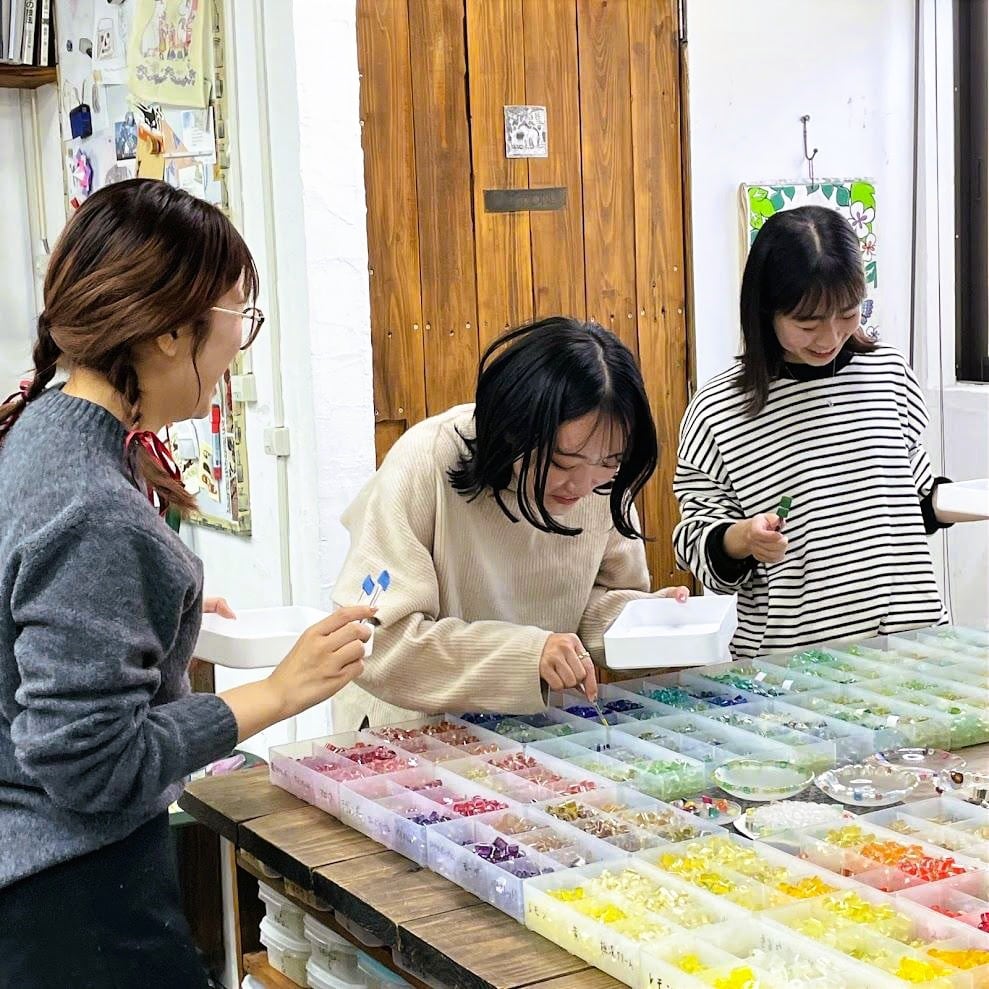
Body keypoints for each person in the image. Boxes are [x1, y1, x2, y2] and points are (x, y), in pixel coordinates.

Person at [0, 179, 373, 988]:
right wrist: (275, 692)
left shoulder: (41, 427)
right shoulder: (95, 509)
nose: (242, 341)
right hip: (73, 903)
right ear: (170, 331)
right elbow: (90, 766)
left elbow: (43, 630)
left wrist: (161, 623)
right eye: (239, 314)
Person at [331, 317, 689, 731]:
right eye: (562, 463)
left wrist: (645, 623)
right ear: (511, 431)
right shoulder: (426, 460)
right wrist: (528, 655)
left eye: (610, 461)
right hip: (410, 734)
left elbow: (590, 603)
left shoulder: (601, 482)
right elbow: (374, 641)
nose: (583, 485)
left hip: (537, 731)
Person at [673, 205, 950, 658]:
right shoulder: (719, 410)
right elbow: (693, 544)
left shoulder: (889, 374)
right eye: (807, 323)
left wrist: (951, 500)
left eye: (848, 314)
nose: (830, 337)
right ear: (766, 312)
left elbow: (914, 499)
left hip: (910, 650)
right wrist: (742, 538)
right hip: (793, 667)